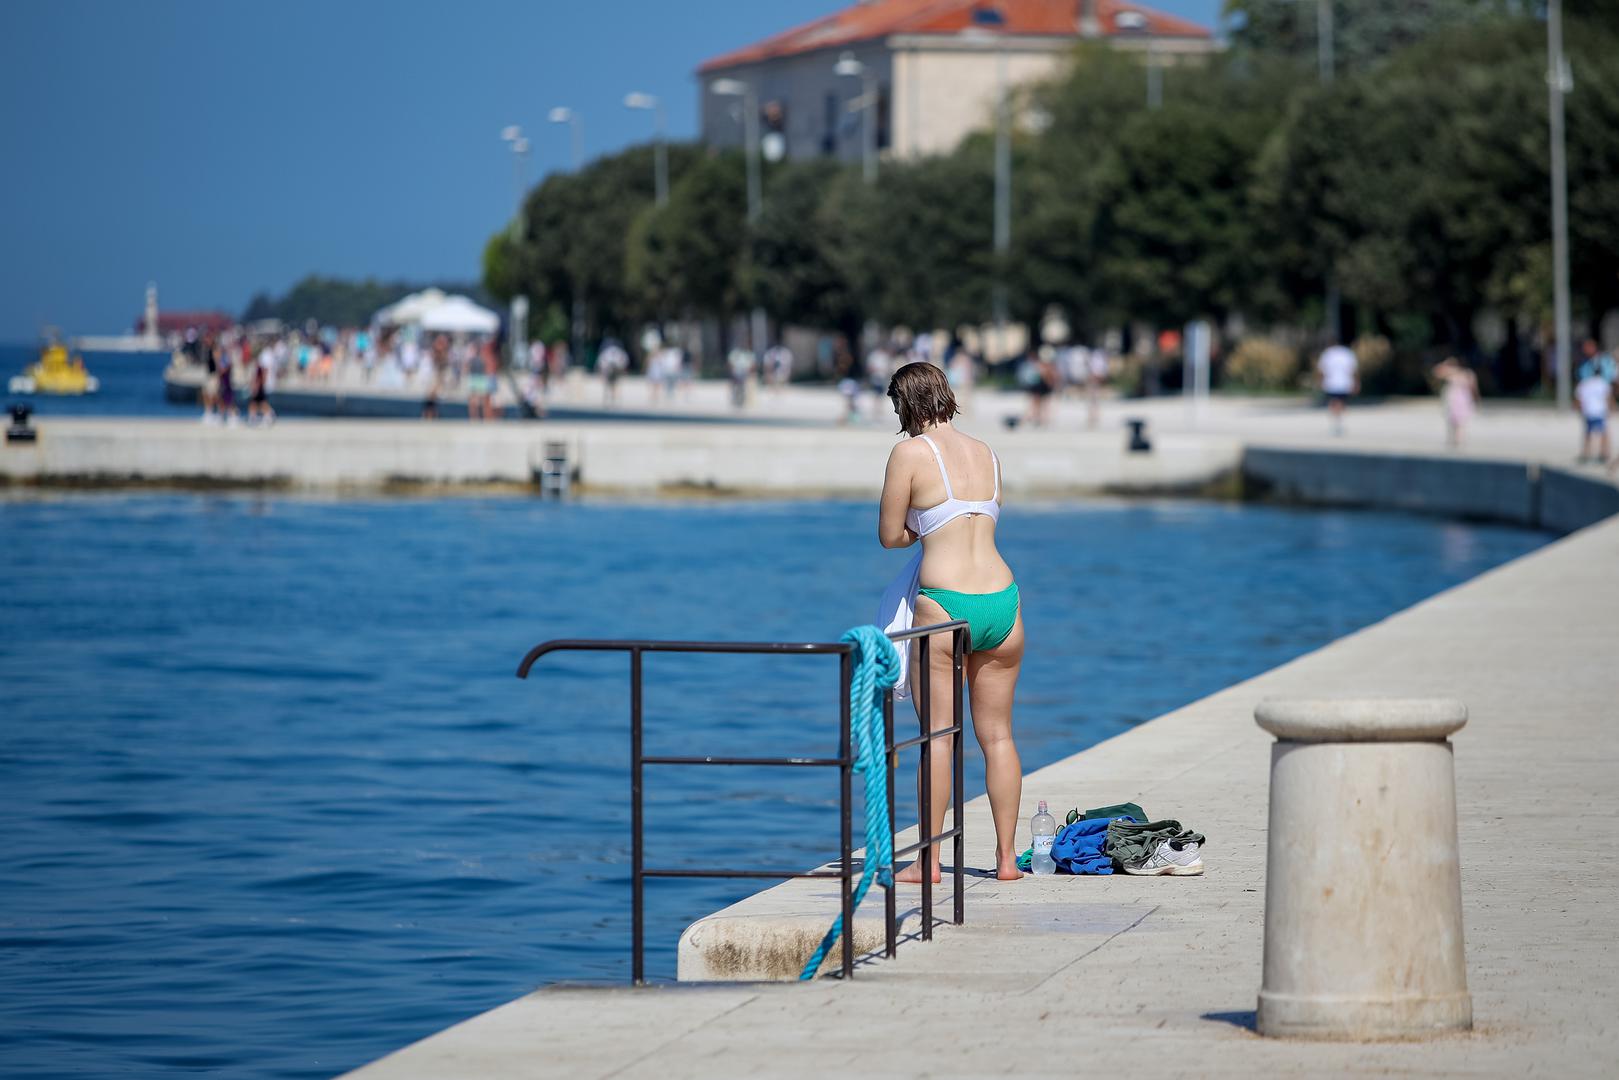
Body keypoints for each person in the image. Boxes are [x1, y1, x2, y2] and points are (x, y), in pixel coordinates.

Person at [879, 361, 1024, 883]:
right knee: (1000, 737)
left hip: (944, 604)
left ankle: (929, 860)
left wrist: (920, 531)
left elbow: (890, 535)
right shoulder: (988, 453)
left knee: (938, 737)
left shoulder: (909, 454)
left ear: (905, 406)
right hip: (1003, 603)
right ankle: (1008, 861)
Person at [1432, 357, 1478, 449]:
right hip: (1452, 400)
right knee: (1452, 420)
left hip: (1462, 400)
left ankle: (1458, 440)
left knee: (1460, 421)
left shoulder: (1467, 374)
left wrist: (1475, 399)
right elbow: (1436, 372)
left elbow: (1473, 388)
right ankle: (1454, 439)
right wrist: (1445, 364)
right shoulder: (1451, 373)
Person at [1317, 341, 1359, 434]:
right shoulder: (1348, 353)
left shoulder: (1328, 353)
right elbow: (1353, 370)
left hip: (1331, 383)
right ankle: (1338, 420)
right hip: (1344, 383)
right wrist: (1356, 383)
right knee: (1340, 402)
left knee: (1334, 402)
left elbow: (1321, 369)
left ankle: (1336, 420)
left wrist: (1320, 381)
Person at [1575, 365, 1614, 464]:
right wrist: (1611, 409)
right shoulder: (1603, 383)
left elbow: (1579, 399)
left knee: (1587, 434)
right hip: (1599, 411)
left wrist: (1580, 410)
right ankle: (1603, 454)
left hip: (1588, 411)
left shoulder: (1585, 383)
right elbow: (1608, 398)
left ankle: (1586, 454)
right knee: (1603, 434)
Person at [598, 338, 629, 406]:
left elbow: (602, 363)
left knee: (612, 385)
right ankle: (612, 398)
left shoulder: (608, 352)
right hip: (612, 370)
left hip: (614, 370)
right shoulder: (617, 352)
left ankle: (612, 398)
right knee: (612, 385)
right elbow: (624, 361)